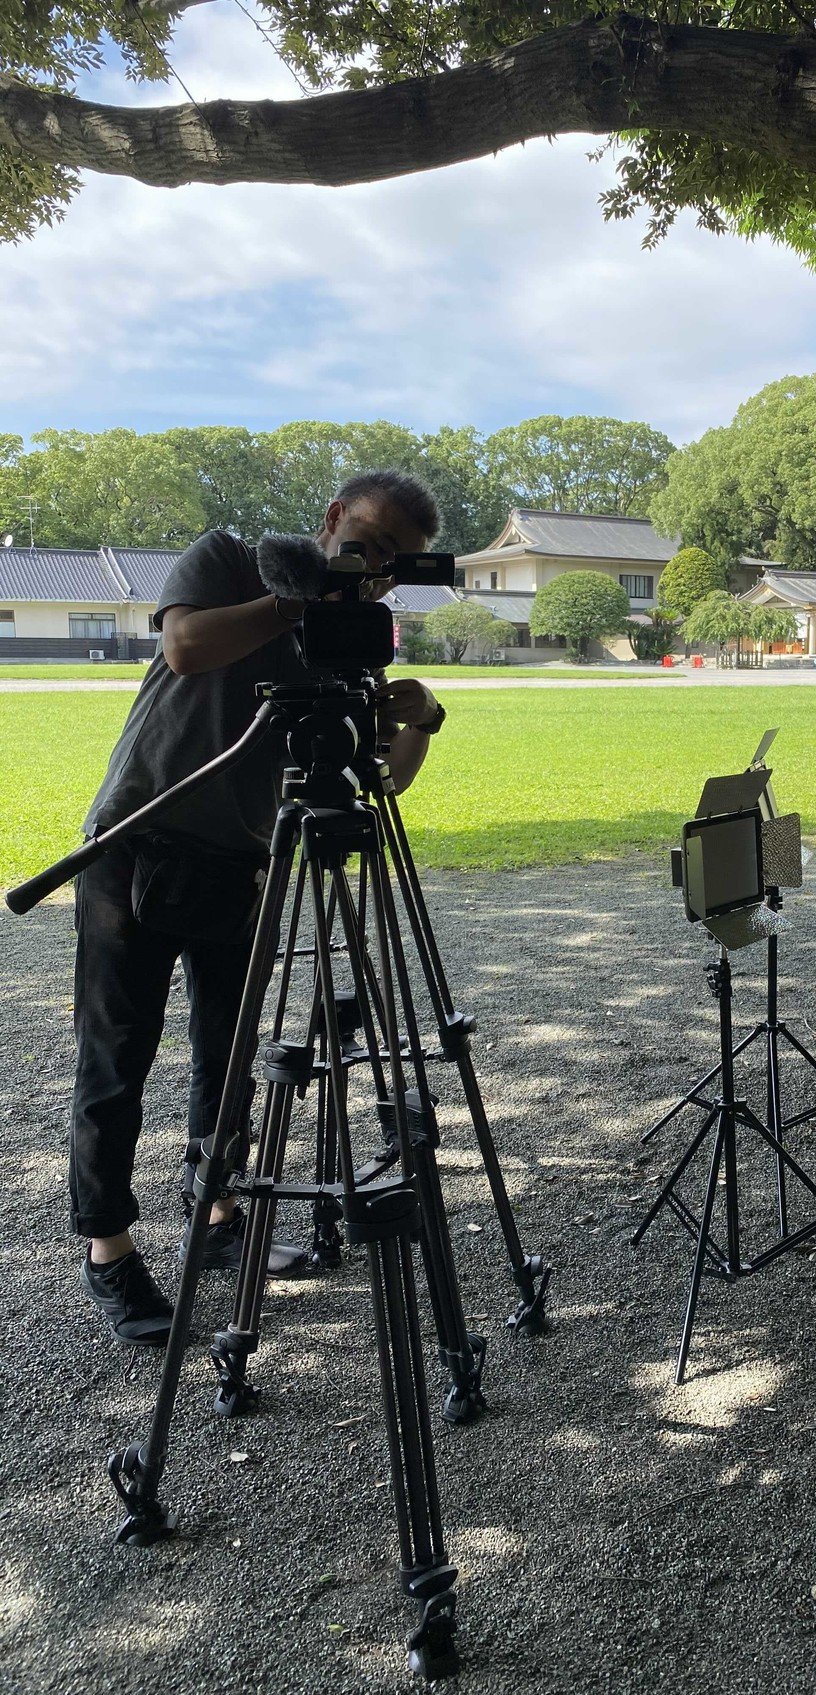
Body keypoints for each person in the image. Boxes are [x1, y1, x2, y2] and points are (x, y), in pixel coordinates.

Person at [73, 469, 445, 1346]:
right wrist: (297, 601)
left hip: (248, 866)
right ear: (332, 519)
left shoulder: (356, 635)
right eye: (371, 541)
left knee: (227, 1058)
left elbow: (376, 777)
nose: (378, 568)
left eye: (397, 560)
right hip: (136, 846)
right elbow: (187, 648)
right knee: (115, 1060)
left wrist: (421, 720)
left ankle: (216, 1216)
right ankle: (109, 1252)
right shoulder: (230, 562)